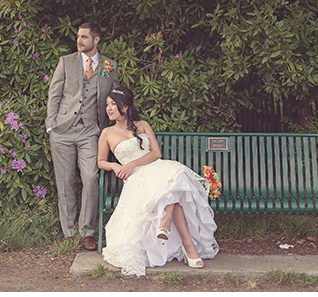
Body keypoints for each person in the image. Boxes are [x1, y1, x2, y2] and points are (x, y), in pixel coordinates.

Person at [98, 85, 219, 276]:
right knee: (170, 191)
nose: (109, 108)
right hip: (136, 178)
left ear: (126, 106)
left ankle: (167, 220)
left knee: (175, 175)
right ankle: (187, 245)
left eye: (113, 104)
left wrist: (133, 163)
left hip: (155, 167)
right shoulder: (107, 133)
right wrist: (115, 166)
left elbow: (156, 153)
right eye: (107, 105)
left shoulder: (143, 125)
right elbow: (101, 161)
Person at [46, 22, 119, 251]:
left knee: (90, 177)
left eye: (85, 37)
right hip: (63, 130)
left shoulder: (109, 65)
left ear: (96, 40)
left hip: (90, 131)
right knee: (65, 181)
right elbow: (54, 94)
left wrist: (115, 125)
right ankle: (69, 232)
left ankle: (87, 231)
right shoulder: (66, 62)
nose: (79, 41)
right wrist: (52, 125)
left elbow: (115, 95)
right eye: (78, 36)